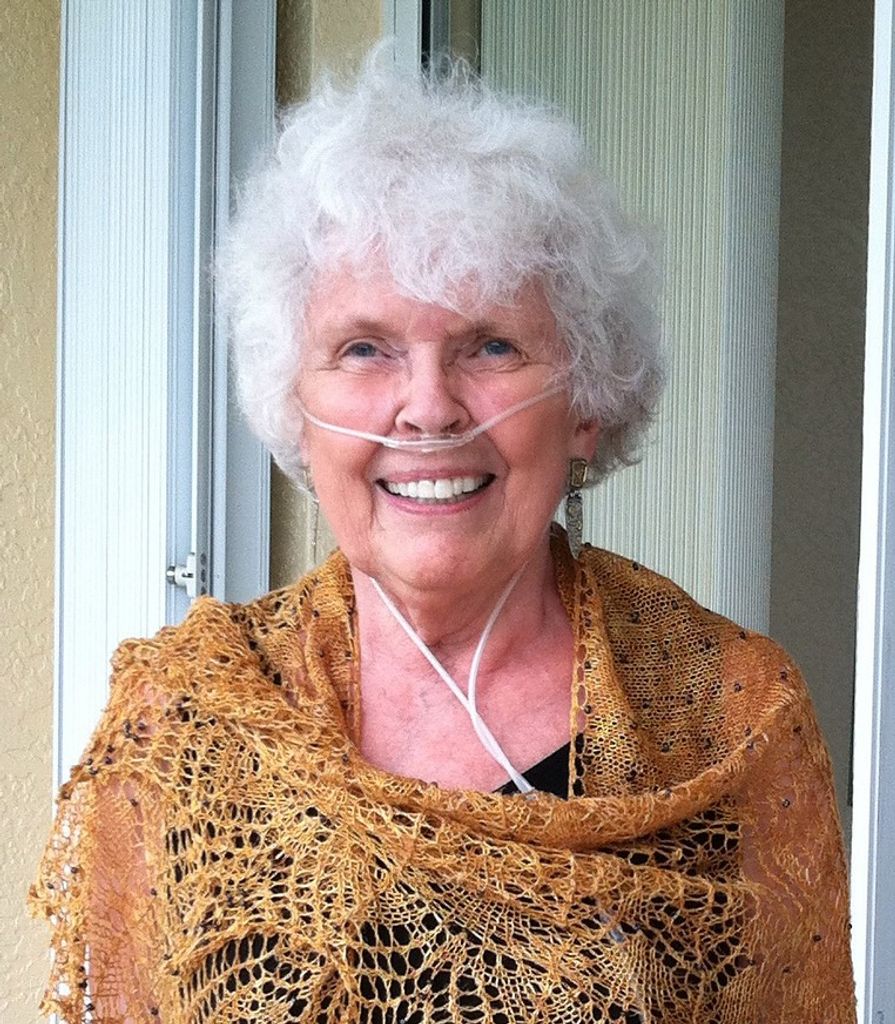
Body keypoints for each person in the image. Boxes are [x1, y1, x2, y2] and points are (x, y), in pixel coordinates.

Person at [31, 52, 855, 1023]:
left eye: (491, 345)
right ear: (294, 405)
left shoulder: (728, 716)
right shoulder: (185, 718)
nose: (427, 407)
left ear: (586, 405)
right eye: (364, 349)